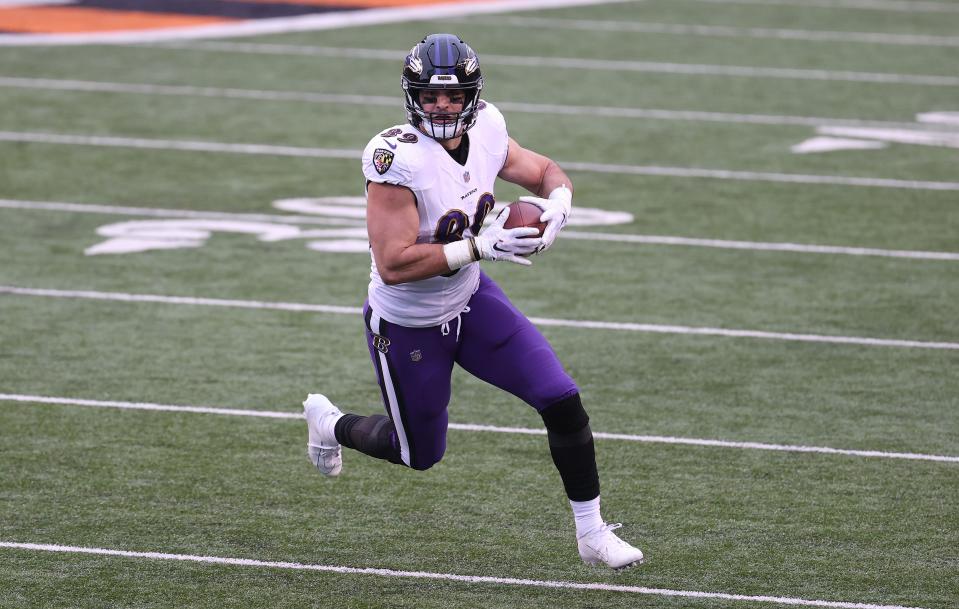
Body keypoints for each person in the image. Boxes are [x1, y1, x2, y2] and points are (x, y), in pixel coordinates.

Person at [303, 33, 644, 570]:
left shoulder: (487, 127)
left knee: (561, 400)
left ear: (472, 96)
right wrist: (481, 245)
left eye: (453, 96)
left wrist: (559, 203)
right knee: (417, 454)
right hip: (409, 322)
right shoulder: (395, 158)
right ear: (413, 96)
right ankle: (330, 422)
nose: (442, 105)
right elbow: (393, 264)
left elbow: (542, 170)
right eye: (431, 96)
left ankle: (592, 531)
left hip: (471, 301)